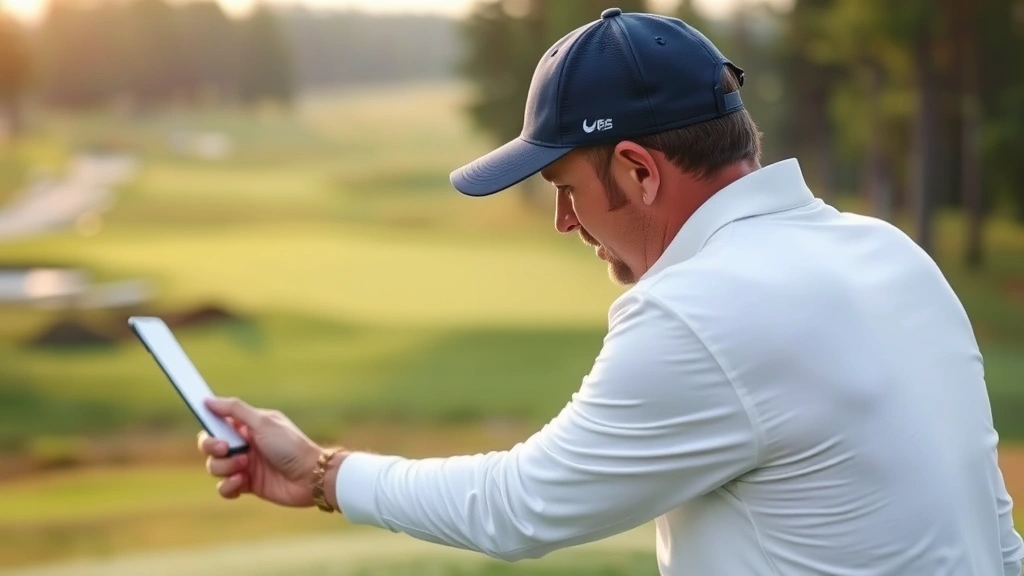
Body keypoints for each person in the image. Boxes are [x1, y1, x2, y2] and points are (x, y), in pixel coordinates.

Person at [198, 8, 1024, 575]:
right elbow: (995, 535)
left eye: (566, 187)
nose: (565, 221)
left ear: (636, 169)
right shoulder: (891, 255)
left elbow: (519, 508)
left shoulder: (699, 312)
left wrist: (320, 472)